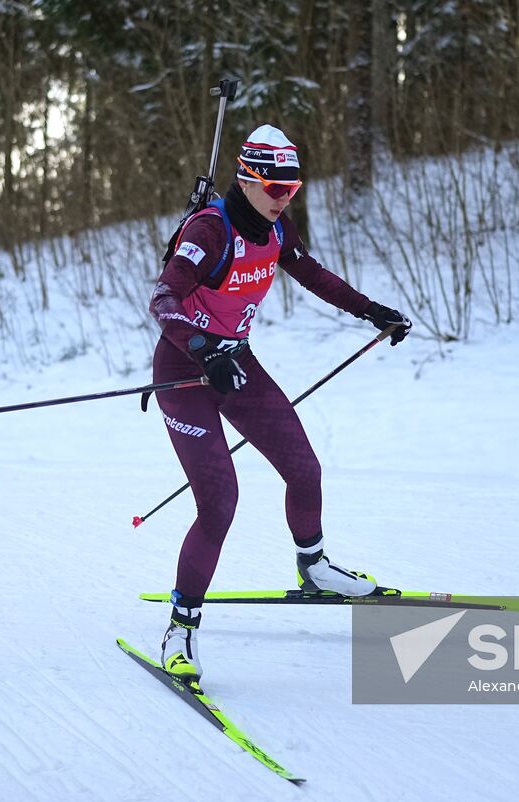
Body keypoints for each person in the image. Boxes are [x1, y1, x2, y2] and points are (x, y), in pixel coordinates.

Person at [147, 124, 411, 681]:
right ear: (247, 179)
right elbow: (164, 297)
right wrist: (200, 347)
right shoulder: (210, 232)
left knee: (303, 467)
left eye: (293, 188)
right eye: (275, 188)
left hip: (234, 362)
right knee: (219, 502)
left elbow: (311, 273)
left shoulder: (273, 229)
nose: (284, 198)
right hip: (184, 370)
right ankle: (181, 628)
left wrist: (370, 310)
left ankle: (313, 567)